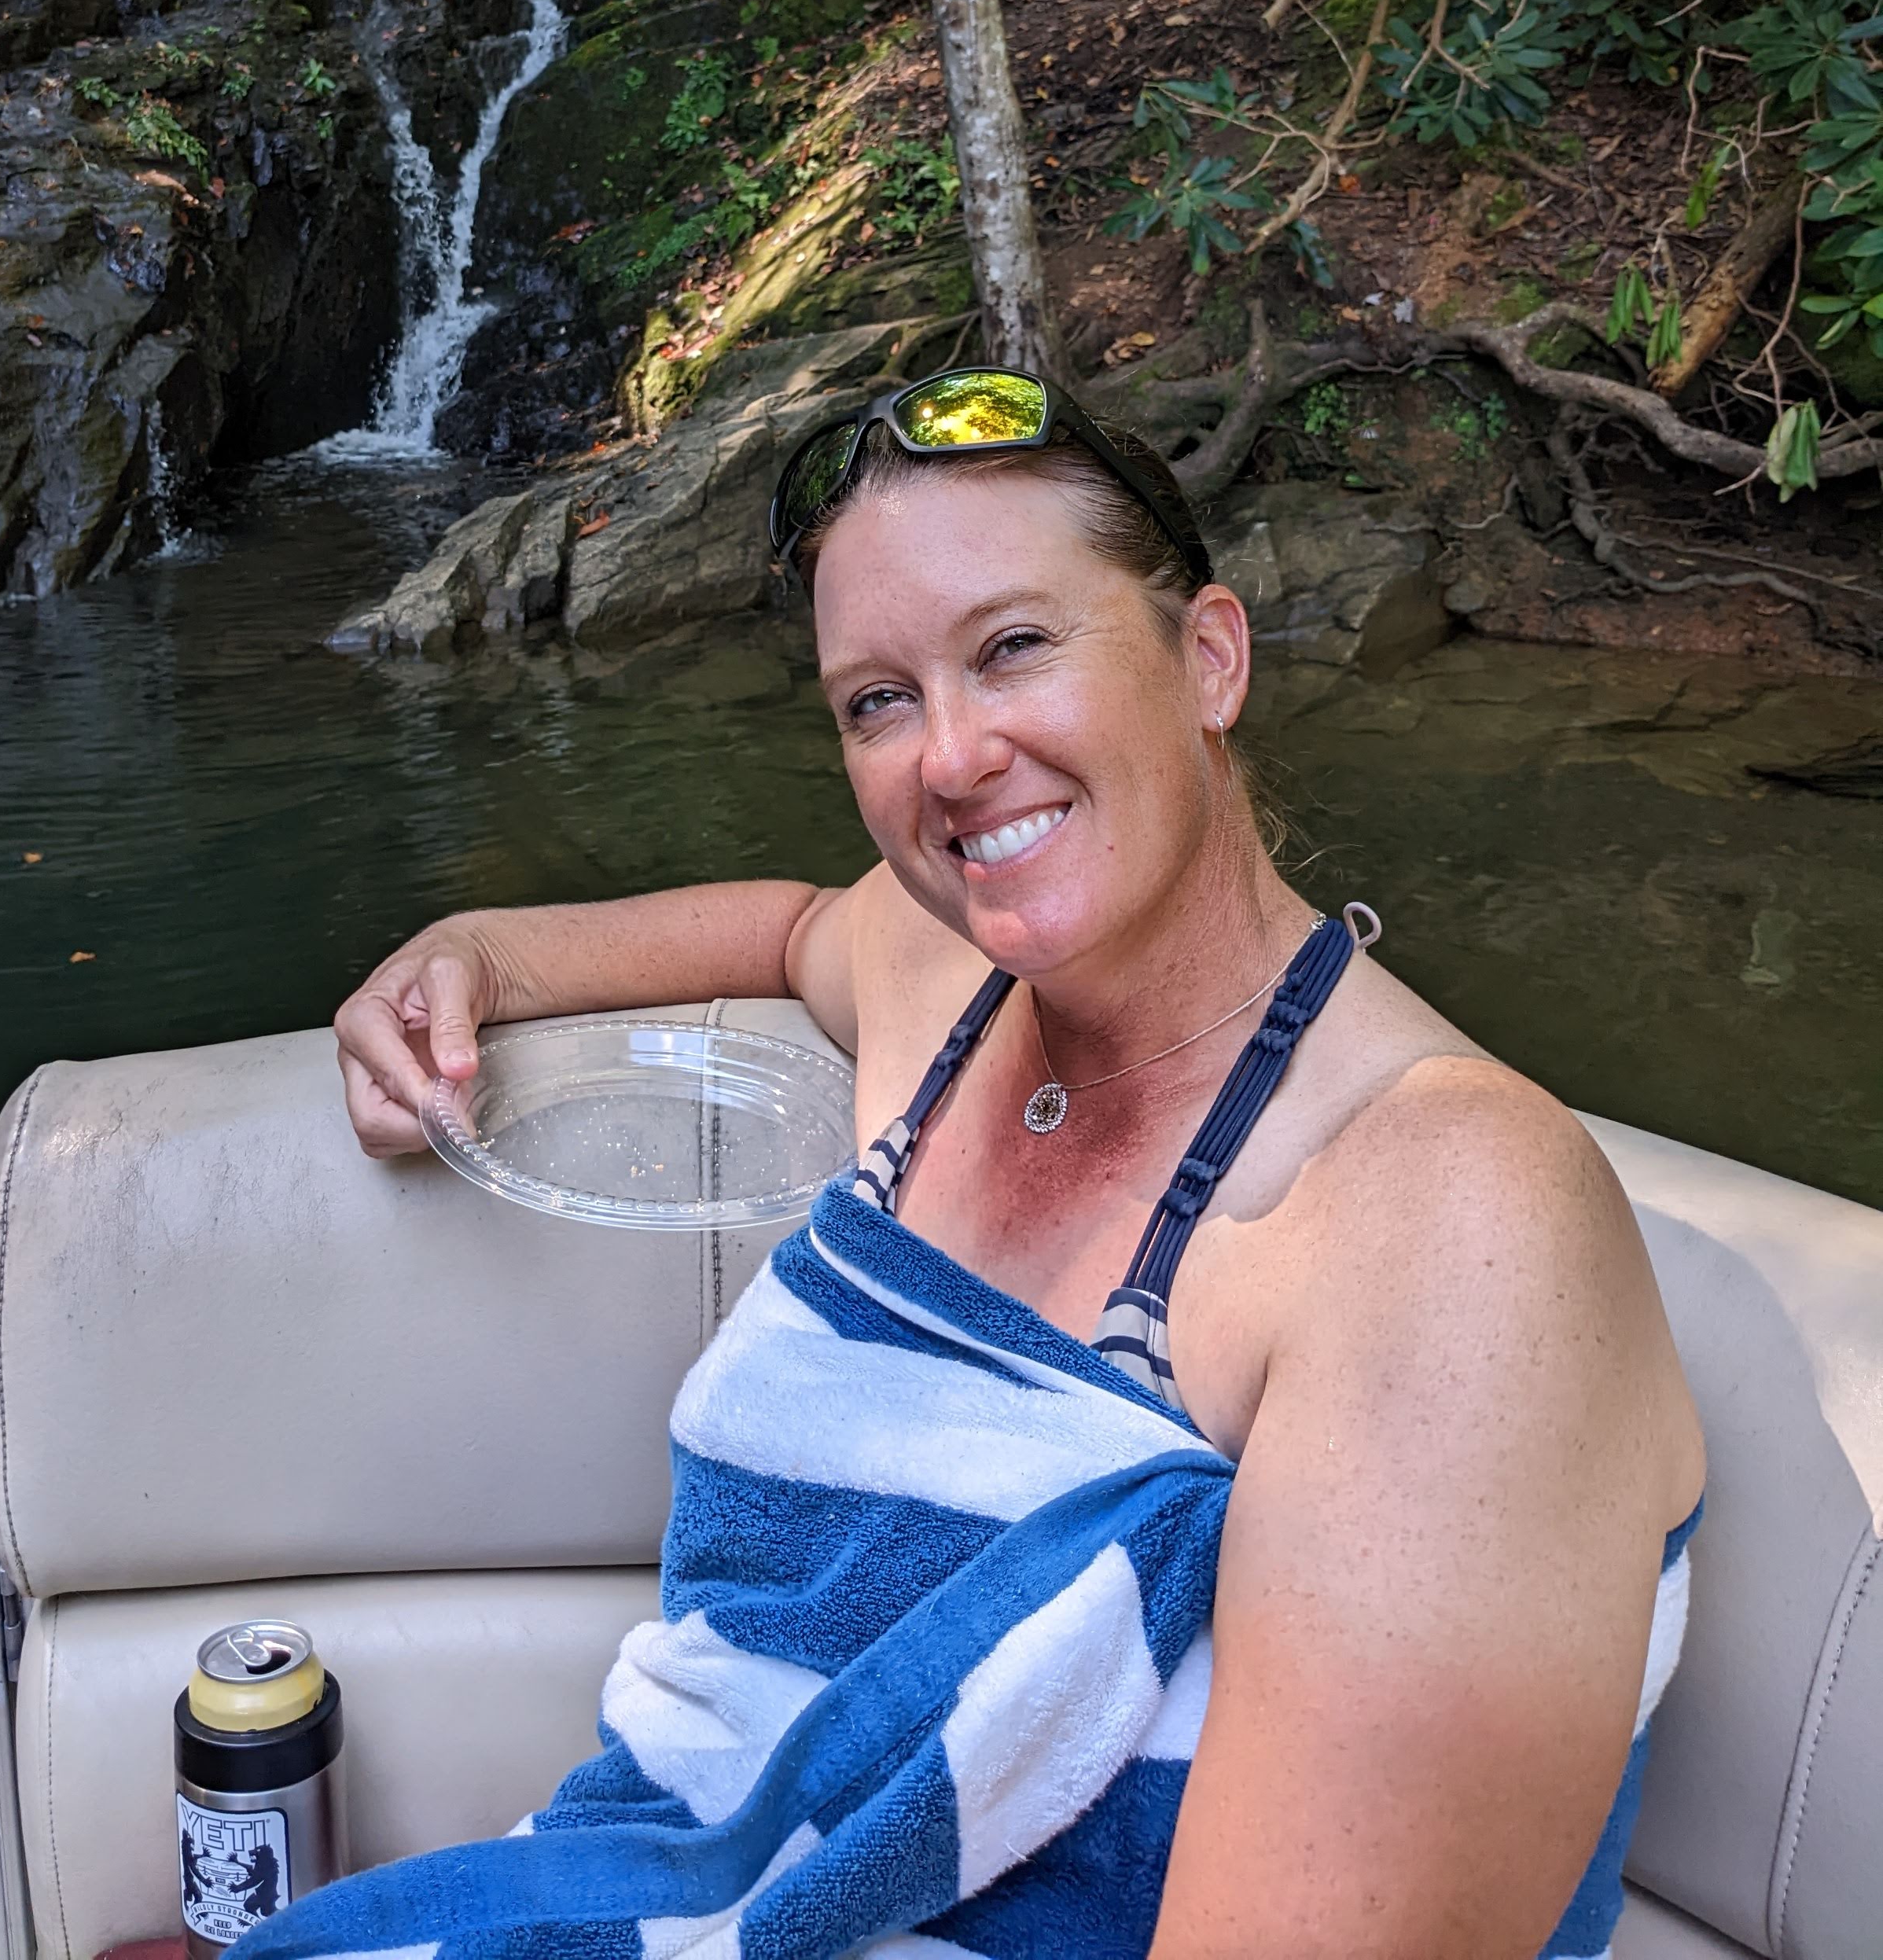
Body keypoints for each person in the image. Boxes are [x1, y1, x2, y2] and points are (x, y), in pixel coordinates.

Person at [300, 367, 1705, 1960]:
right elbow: (790, 926)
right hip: (636, 1893)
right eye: (877, 701)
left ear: (1211, 658)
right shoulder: (945, 979)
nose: (952, 758)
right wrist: (481, 955)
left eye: (1015, 646)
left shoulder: (1448, 1220)